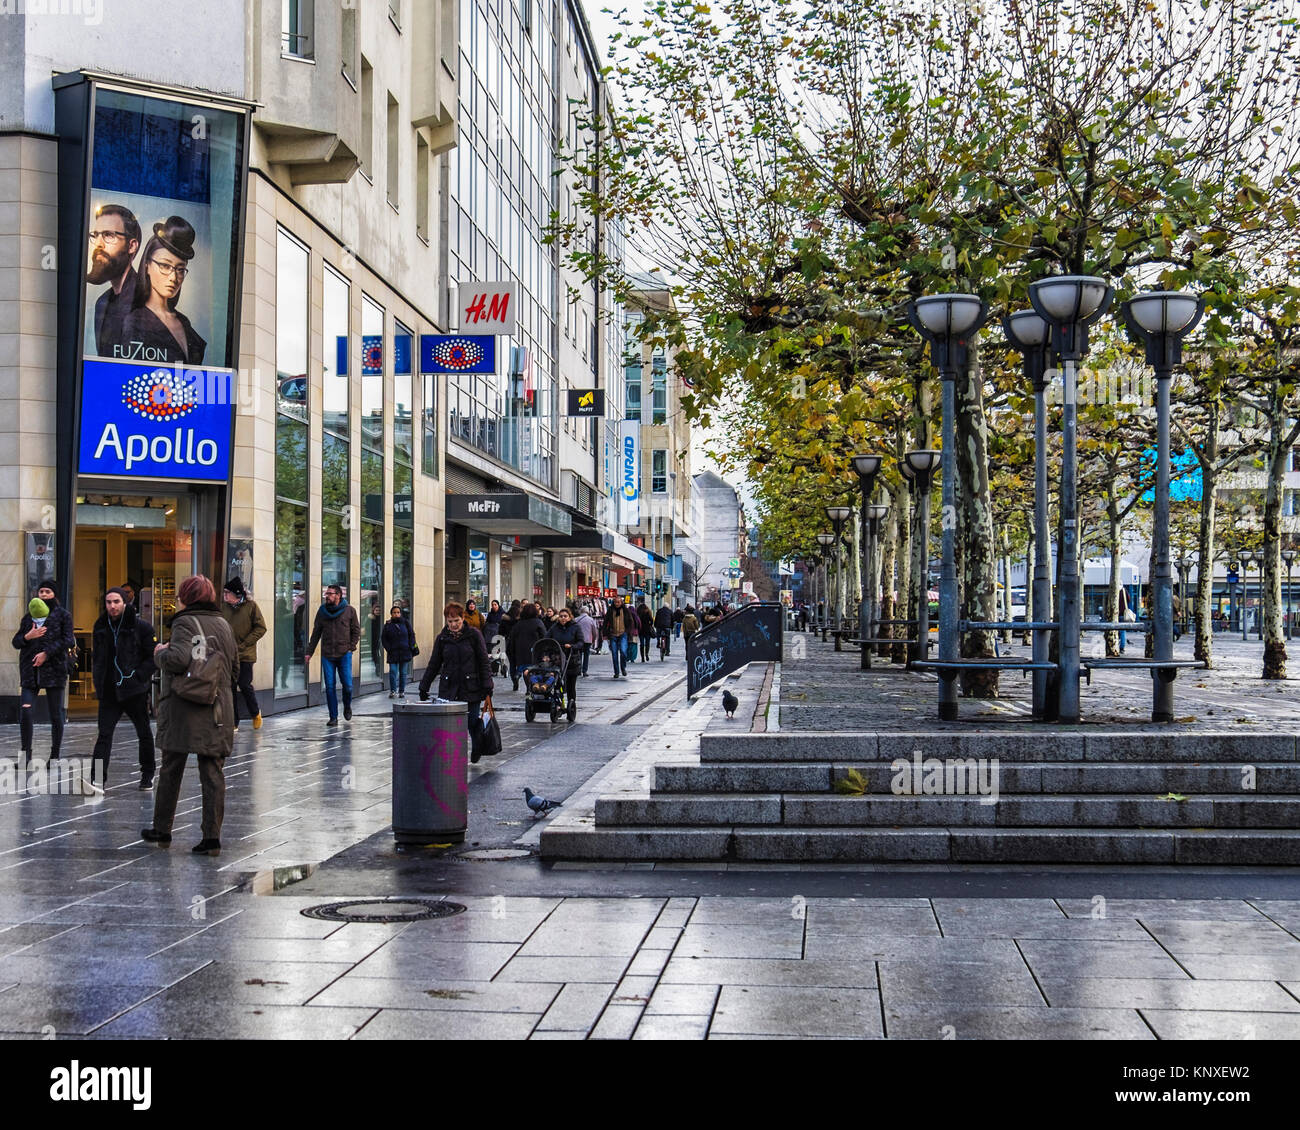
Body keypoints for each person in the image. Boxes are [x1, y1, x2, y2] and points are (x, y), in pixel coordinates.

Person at [141, 575, 239, 856]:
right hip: (218, 707)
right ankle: (211, 838)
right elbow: (235, 668)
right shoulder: (223, 623)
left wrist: (160, 653)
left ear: (186, 597)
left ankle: (162, 830)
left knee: (172, 767)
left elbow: (178, 659)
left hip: (185, 706)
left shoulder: (184, 622)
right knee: (212, 772)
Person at [90, 586, 157, 792]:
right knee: (104, 735)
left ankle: (148, 774)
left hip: (134, 690)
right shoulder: (101, 626)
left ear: (125, 603)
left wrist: (138, 677)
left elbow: (153, 657)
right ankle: (97, 779)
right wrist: (98, 682)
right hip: (109, 690)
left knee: (143, 732)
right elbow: (98, 658)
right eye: (109, 602)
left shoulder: (142, 627)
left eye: (116, 602)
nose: (112, 606)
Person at [119, 217, 206, 364]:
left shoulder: (184, 322)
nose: (173, 277)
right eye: (165, 266)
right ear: (147, 265)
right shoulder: (135, 322)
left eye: (180, 269)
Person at [419, 602, 494, 762]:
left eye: (456, 621)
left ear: (463, 618)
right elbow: (434, 664)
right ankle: (454, 755)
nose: (453, 625)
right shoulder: (442, 638)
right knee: (451, 724)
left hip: (470, 686)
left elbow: (483, 661)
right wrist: (424, 686)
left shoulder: (474, 635)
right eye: (450, 621)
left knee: (471, 721)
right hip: (449, 687)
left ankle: (476, 746)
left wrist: (488, 684)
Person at [12, 583, 74, 766]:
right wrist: (28, 636)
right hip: (30, 671)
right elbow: (16, 642)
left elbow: (68, 639)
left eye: (48, 591)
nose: (44, 594)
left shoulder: (63, 615)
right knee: (26, 712)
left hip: (54, 670)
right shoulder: (28, 617)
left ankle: (54, 756)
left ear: (54, 594)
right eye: (41, 591)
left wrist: (47, 653)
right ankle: (25, 756)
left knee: (55, 714)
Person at [86, 202, 141, 358]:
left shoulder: (148, 299)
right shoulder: (102, 303)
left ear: (131, 246)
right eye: (95, 235)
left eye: (108, 235)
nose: (98, 244)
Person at [305, 584, 360, 727]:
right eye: (326, 593)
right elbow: (316, 633)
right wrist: (309, 652)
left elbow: (356, 631)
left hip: (344, 654)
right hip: (327, 655)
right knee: (330, 687)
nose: (327, 596)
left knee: (347, 686)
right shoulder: (322, 611)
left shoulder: (350, 611)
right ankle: (333, 717)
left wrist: (350, 648)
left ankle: (347, 706)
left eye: (329, 593)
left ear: (338, 595)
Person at [220, 577, 266, 732]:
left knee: (244, 684)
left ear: (237, 594)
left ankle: (255, 713)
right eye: (224, 593)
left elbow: (261, 628)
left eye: (228, 593)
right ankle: (233, 721)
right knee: (230, 686)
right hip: (228, 654)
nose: (225, 596)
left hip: (245, 654)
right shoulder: (224, 608)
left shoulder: (251, 607)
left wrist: (245, 643)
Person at [547, 607, 583, 710]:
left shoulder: (576, 627)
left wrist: (572, 646)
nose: (563, 618)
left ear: (569, 617)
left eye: (565, 616)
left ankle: (571, 704)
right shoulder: (554, 627)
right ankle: (559, 703)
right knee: (559, 684)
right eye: (561, 616)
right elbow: (547, 637)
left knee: (571, 686)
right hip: (558, 659)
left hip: (572, 659)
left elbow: (581, 642)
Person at [508, 603, 547, 691]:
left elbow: (512, 639)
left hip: (521, 652)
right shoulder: (538, 622)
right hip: (535, 651)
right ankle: (531, 687)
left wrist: (512, 652)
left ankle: (528, 687)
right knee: (534, 671)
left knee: (525, 670)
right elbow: (544, 637)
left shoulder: (519, 624)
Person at [382, 604, 417, 699]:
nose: (396, 614)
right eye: (394, 612)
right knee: (393, 671)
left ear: (400, 613)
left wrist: (410, 646)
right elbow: (384, 638)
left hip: (405, 651)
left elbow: (412, 635)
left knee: (403, 672)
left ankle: (401, 691)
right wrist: (388, 648)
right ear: (391, 614)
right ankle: (393, 690)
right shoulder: (388, 625)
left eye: (398, 612)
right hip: (393, 652)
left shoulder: (406, 623)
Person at [603, 600, 629, 679]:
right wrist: (605, 633)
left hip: (623, 634)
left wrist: (628, 631)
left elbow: (630, 621)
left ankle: (623, 667)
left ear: (621, 603)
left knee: (623, 652)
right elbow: (605, 622)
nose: (617, 604)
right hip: (613, 634)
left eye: (618, 602)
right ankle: (616, 672)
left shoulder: (625, 611)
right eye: (615, 602)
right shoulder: (610, 611)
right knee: (614, 655)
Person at [574, 604, 598, 676]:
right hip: (588, 640)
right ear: (587, 612)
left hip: (578, 640)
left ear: (580, 611)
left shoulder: (576, 619)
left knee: (578, 655)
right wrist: (594, 639)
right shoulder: (591, 620)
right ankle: (584, 671)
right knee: (586, 655)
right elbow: (594, 631)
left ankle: (578, 670)